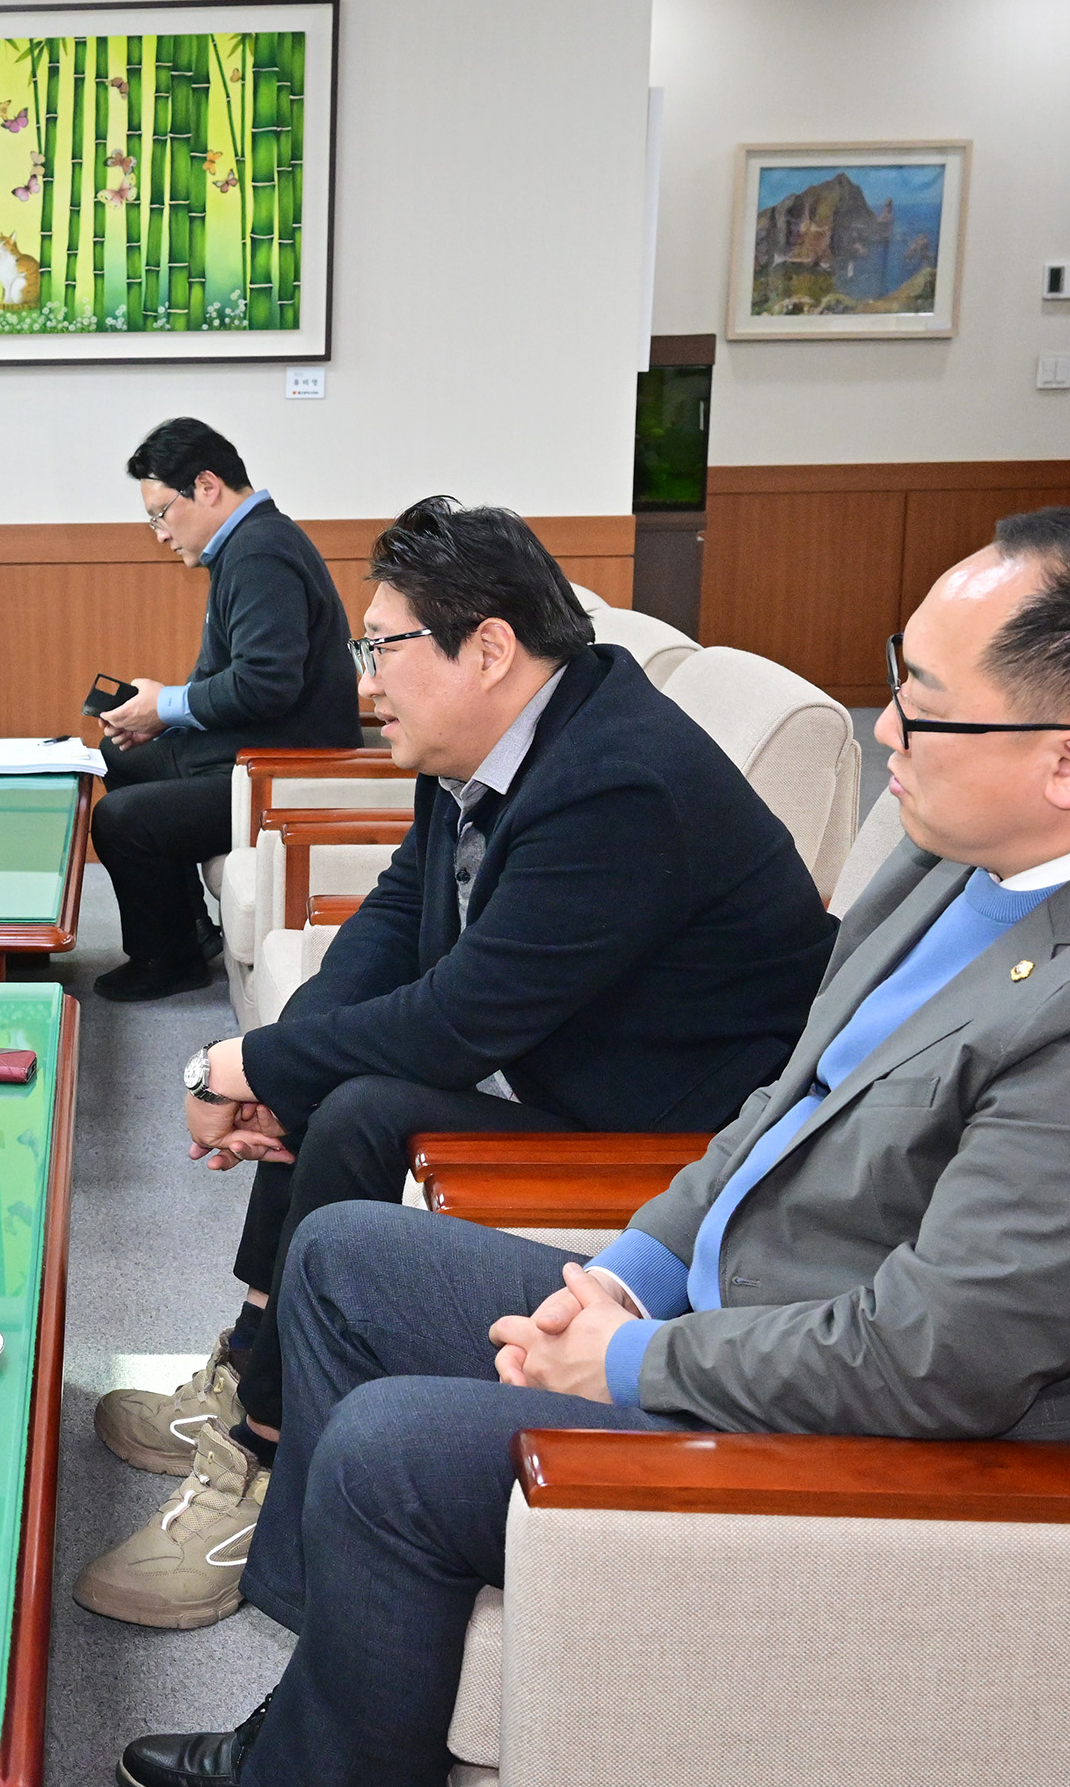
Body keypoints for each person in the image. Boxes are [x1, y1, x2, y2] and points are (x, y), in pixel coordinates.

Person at [114, 508, 1070, 1787]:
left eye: (921, 706)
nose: (881, 732)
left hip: (898, 1441)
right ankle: (335, 1732)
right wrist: (628, 1268)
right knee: (345, 1258)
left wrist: (635, 1366)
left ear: (1065, 762)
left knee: (393, 1451)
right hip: (754, 1301)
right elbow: (782, 1104)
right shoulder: (966, 855)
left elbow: (936, 1363)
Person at [75, 497, 834, 1631]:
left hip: (677, 1132)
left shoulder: (617, 782)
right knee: (332, 1078)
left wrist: (232, 1062)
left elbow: (460, 1020)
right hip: (576, 1059)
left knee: (364, 1100)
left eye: (382, 647)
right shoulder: (494, 737)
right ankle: (253, 1357)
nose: (365, 679)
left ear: (489, 647)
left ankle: (266, 1453)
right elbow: (390, 922)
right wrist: (272, 1070)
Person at [91, 417, 359, 1002]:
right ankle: (187, 931)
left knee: (121, 821)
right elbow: (235, 674)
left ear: (207, 487)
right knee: (117, 760)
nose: (159, 532)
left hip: (284, 770)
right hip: (252, 751)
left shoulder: (261, 552)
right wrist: (162, 716)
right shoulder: (253, 543)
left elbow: (266, 685)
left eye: (161, 512)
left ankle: (169, 960)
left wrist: (166, 705)